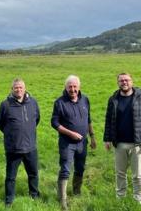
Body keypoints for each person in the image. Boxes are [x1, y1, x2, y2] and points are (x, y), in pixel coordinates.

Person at [103, 73, 141, 205]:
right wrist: (107, 139)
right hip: (119, 144)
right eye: (121, 81)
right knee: (120, 173)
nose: (124, 82)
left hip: (138, 144)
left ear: (132, 81)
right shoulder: (113, 99)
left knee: (137, 175)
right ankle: (120, 196)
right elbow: (108, 120)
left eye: (127, 80)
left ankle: (139, 199)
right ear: (118, 83)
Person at [51, 75, 96, 210]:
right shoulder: (59, 102)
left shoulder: (85, 100)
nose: (73, 89)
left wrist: (92, 137)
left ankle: (76, 191)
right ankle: (63, 200)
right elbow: (54, 123)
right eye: (70, 87)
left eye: (75, 86)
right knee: (65, 169)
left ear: (79, 87)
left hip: (83, 143)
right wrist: (70, 133)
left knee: (80, 167)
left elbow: (88, 119)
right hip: (67, 143)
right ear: (66, 87)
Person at [0, 78, 41, 207]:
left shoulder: (33, 102)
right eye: (16, 88)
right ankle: (9, 200)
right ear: (12, 89)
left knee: (33, 173)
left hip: (30, 146)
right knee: (11, 177)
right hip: (13, 148)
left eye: (21, 87)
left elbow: (37, 119)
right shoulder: (5, 105)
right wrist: (11, 133)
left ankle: (34, 195)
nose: (18, 90)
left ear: (25, 88)